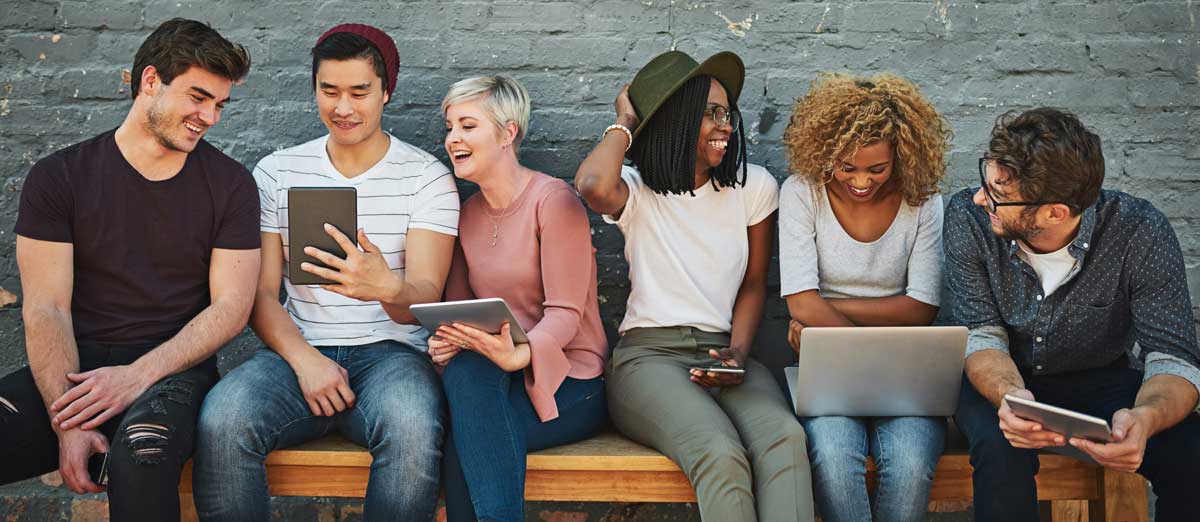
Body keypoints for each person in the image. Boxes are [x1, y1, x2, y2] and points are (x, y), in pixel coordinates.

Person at [193, 24, 459, 522]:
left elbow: (425, 297)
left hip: (392, 356)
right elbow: (262, 295)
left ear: (387, 92)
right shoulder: (277, 172)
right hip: (296, 349)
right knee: (223, 420)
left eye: (360, 91)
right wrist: (304, 360)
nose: (344, 107)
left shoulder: (426, 177)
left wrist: (387, 287)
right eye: (329, 90)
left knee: (413, 428)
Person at [0, 19, 257, 522]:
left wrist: (135, 377)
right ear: (150, 82)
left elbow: (232, 307)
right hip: (73, 372)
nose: (209, 117)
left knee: (143, 456)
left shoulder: (230, 185)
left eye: (219, 105)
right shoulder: (60, 177)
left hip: (172, 374)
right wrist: (67, 423)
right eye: (198, 97)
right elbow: (46, 308)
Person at [574, 50, 814, 522]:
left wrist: (738, 356)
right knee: (718, 452)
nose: (725, 125)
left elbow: (752, 287)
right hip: (648, 360)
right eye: (711, 114)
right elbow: (592, 184)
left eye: (728, 114)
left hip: (725, 352)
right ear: (679, 120)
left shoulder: (754, 188)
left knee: (785, 441)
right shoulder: (637, 190)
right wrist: (625, 119)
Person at [945, 108, 1200, 522]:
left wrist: (1145, 418)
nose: (979, 198)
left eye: (996, 193)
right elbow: (983, 333)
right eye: (984, 181)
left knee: (1191, 451)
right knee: (1000, 443)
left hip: (1099, 377)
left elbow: (1173, 357)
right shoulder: (969, 218)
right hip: (1002, 375)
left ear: (1054, 213)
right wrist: (1012, 398)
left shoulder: (1139, 230)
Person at [429, 75, 609, 522]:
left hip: (571, 381)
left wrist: (520, 355)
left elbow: (566, 315)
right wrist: (447, 342)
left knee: (465, 442)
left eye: (468, 126)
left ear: (508, 133)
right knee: (467, 372)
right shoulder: (465, 214)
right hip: (492, 380)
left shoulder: (554, 202)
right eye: (449, 127)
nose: (453, 139)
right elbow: (459, 312)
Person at [778, 73, 951, 522]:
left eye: (877, 169)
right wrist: (814, 312)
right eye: (847, 167)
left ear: (902, 157)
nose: (860, 181)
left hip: (904, 372)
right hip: (828, 372)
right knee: (834, 463)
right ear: (824, 153)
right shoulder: (802, 192)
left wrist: (825, 315)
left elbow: (921, 308)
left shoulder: (923, 201)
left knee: (911, 466)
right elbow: (798, 304)